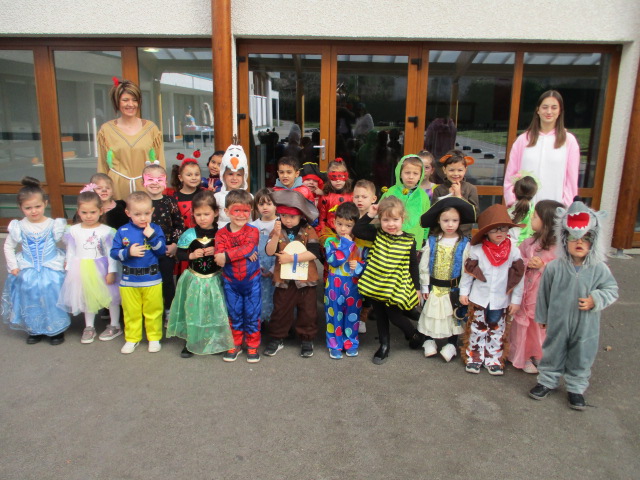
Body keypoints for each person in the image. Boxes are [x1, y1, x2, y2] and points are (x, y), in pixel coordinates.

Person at [528, 201, 618, 410]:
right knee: (552, 350)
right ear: (563, 238)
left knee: (582, 354)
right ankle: (547, 380)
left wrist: (596, 298)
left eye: (586, 238)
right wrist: (542, 317)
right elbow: (544, 294)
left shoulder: (599, 269)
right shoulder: (554, 268)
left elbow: (611, 289)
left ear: (594, 241)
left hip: (585, 325)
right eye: (573, 238)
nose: (579, 242)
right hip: (558, 321)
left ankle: (576, 387)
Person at [353, 197, 426, 365]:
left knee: (394, 316)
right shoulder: (377, 233)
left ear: (402, 218)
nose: (390, 224)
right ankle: (384, 345)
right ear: (380, 220)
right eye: (385, 220)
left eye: (395, 219)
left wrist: (416, 287)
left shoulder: (409, 240)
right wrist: (370, 214)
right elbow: (358, 229)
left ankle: (413, 333)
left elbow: (413, 265)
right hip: (375, 283)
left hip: (395, 285)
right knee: (380, 316)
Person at [166, 190, 234, 358]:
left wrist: (218, 250)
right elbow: (179, 253)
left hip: (215, 279)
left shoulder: (222, 233)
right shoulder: (189, 234)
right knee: (194, 311)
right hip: (195, 280)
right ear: (193, 214)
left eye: (206, 214)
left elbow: (230, 253)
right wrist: (190, 255)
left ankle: (216, 340)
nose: (202, 218)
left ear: (215, 213)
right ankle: (191, 341)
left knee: (215, 310)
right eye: (198, 215)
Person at [459, 204, 525, 375]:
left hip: (501, 300)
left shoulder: (514, 252)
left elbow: (519, 278)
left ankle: (493, 359)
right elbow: (468, 273)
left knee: (497, 329)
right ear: (486, 232)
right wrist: (463, 292)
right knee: (477, 328)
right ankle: (474, 357)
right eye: (494, 229)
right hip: (479, 298)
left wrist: (516, 300)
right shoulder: (477, 250)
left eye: (503, 228)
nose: (499, 232)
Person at [2, 177, 69, 345]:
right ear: (21, 208)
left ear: (45, 203)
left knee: (52, 294)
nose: (33, 211)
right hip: (28, 267)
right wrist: (13, 266)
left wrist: (68, 260)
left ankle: (56, 329)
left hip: (51, 267)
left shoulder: (53, 224)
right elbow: (8, 246)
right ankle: (34, 328)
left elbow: (69, 243)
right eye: (28, 208)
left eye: (37, 206)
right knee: (30, 296)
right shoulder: (19, 226)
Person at [57, 187, 122, 343]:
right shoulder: (73, 230)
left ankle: (115, 324)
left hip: (102, 268)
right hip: (81, 269)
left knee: (111, 297)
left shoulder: (106, 231)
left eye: (93, 212)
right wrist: (69, 269)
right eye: (84, 212)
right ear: (78, 212)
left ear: (101, 211)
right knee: (87, 297)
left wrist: (112, 271)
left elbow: (111, 253)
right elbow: (71, 251)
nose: (88, 216)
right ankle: (89, 326)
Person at [263, 189, 320, 359]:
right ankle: (277, 337)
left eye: (292, 217)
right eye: (284, 216)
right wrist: (275, 235)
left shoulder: (308, 230)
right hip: (284, 280)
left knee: (308, 311)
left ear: (301, 216)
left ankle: (306, 339)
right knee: (280, 310)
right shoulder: (277, 229)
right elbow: (269, 251)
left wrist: (291, 258)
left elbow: (314, 253)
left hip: (306, 279)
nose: (288, 220)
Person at [417, 196, 476, 362]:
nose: (450, 224)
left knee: (452, 317)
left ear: (459, 221)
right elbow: (424, 266)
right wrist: (425, 286)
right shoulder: (432, 241)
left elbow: (466, 270)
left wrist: (464, 291)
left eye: (454, 221)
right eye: (446, 220)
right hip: (434, 287)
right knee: (431, 314)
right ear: (439, 221)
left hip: (453, 289)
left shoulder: (464, 243)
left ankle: (451, 344)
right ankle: (429, 340)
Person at [508, 199, 563, 374]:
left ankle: (539, 354)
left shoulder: (559, 249)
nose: (532, 218)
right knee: (522, 326)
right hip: (526, 294)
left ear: (547, 222)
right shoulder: (528, 243)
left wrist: (542, 266)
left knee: (540, 327)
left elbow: (562, 272)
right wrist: (527, 262)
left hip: (544, 296)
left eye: (535, 216)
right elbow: (516, 261)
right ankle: (522, 356)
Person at [110, 191, 166, 354]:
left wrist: (152, 237)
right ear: (128, 213)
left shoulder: (155, 229)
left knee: (154, 310)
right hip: (129, 281)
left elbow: (161, 251)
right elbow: (114, 253)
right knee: (131, 312)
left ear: (152, 211)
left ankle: (154, 338)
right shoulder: (123, 230)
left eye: (147, 213)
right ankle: (132, 338)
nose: (143, 218)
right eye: (137, 214)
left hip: (152, 279)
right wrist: (128, 252)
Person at [504, 90, 580, 207]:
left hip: (554, 209)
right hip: (524, 208)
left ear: (560, 111)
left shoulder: (569, 141)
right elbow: (511, 176)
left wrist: (566, 206)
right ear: (538, 110)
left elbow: (572, 180)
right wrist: (514, 202)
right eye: (545, 107)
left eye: (554, 107)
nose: (549, 111)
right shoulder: (523, 140)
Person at [97, 78, 165, 200]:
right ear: (117, 102)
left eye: (134, 100)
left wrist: (159, 189)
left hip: (146, 188)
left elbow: (160, 163)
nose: (131, 104)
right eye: (125, 100)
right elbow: (102, 165)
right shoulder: (106, 130)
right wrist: (103, 193)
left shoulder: (151, 129)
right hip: (117, 189)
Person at [214, 190, 261, 363]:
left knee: (252, 314)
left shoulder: (253, 231)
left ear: (251, 212)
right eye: (237, 210)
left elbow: (248, 248)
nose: (241, 215)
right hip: (231, 282)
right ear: (227, 211)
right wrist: (242, 254)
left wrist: (228, 255)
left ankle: (253, 344)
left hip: (252, 282)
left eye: (245, 211)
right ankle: (235, 343)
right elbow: (218, 258)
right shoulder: (220, 234)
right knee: (234, 314)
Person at [142, 162, 184, 324]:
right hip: (145, 251)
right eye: (150, 179)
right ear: (143, 181)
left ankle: (168, 311)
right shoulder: (140, 201)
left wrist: (174, 244)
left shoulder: (170, 202)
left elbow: (179, 225)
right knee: (147, 282)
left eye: (159, 179)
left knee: (166, 281)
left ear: (165, 182)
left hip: (166, 250)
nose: (155, 183)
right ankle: (149, 311)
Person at [324, 202, 365, 359]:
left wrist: (360, 265)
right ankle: (334, 344)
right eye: (339, 224)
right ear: (334, 222)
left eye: (348, 226)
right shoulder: (331, 242)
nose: (343, 229)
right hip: (334, 284)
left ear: (355, 226)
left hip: (353, 284)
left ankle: (351, 342)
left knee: (352, 315)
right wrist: (346, 244)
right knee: (333, 314)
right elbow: (333, 261)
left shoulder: (360, 244)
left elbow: (367, 264)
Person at [380, 154, 431, 249]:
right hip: (390, 241)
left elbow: (427, 218)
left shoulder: (423, 196)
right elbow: (380, 213)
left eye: (415, 173)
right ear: (400, 173)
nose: (411, 177)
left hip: (414, 242)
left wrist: (424, 237)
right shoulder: (391, 192)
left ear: (420, 175)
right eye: (407, 173)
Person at [166, 152, 204, 273]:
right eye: (189, 175)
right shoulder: (174, 197)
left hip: (201, 238)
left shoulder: (204, 195)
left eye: (197, 174)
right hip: (182, 241)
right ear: (180, 177)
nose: (194, 177)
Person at [432, 150, 479, 238]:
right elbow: (434, 215)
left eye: (460, 170)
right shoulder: (439, 190)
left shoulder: (470, 189)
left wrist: (459, 196)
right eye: (451, 170)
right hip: (443, 235)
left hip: (464, 235)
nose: (456, 174)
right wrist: (449, 197)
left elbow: (474, 215)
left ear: (465, 170)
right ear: (444, 170)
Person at [352, 179, 378, 334]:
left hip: (370, 255)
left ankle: (363, 317)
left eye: (364, 197)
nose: (359, 200)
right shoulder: (352, 214)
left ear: (373, 199)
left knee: (367, 286)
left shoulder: (376, 219)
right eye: (357, 196)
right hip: (354, 254)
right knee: (354, 285)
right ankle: (353, 314)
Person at [250, 188, 277, 326]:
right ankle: (260, 321)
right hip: (258, 267)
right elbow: (250, 249)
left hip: (276, 266)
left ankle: (274, 323)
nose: (265, 207)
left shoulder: (280, 224)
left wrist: (274, 268)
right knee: (258, 295)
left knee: (275, 296)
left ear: (276, 205)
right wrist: (257, 266)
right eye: (261, 204)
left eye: (269, 203)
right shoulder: (252, 226)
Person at [214, 142, 251, 229]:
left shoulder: (249, 197)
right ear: (223, 175)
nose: (234, 178)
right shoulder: (217, 197)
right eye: (230, 174)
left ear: (244, 176)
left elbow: (251, 221)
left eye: (239, 175)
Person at [317, 158, 354, 246]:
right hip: (330, 234)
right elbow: (322, 219)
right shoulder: (325, 198)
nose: (338, 180)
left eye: (341, 176)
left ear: (346, 176)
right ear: (329, 177)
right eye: (334, 177)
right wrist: (323, 235)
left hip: (348, 232)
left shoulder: (351, 196)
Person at [508, 174, 538, 246]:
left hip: (511, 246)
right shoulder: (535, 211)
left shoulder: (510, 211)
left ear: (514, 190)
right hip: (528, 246)